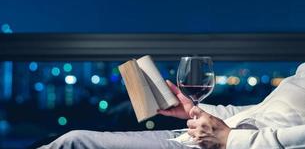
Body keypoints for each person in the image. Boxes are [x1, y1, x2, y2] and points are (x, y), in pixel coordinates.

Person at [38, 63, 305, 149]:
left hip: (223, 144)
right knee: (71, 141)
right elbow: (256, 111)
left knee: (75, 142)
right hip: (203, 138)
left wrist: (229, 139)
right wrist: (191, 109)